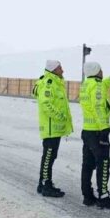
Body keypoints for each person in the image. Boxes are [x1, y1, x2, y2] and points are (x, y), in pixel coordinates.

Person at [79, 61, 110, 209]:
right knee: (103, 163)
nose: (102, 71)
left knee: (87, 165)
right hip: (98, 131)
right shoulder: (97, 86)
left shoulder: (87, 84)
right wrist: (105, 130)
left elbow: (103, 85)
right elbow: (98, 107)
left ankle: (87, 196)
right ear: (96, 71)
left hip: (87, 130)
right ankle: (103, 197)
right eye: (101, 69)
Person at [32, 59, 73, 197]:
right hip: (50, 128)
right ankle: (45, 185)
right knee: (49, 156)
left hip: (54, 128)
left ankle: (43, 183)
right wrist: (59, 116)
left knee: (51, 156)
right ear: (54, 69)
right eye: (60, 68)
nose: (63, 70)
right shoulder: (48, 83)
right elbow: (46, 104)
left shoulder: (55, 82)